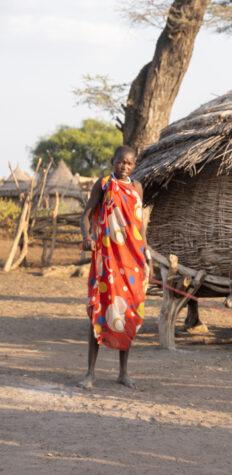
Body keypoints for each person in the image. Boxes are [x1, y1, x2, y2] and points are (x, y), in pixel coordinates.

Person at [78, 146, 151, 389]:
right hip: (107, 258)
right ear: (113, 161)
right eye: (121, 162)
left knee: (127, 312)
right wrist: (87, 237)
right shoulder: (104, 184)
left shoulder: (137, 187)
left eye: (129, 164)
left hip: (131, 260)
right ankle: (90, 373)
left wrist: (145, 250)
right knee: (99, 311)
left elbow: (139, 226)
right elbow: (86, 215)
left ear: (134, 165)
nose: (125, 167)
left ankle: (123, 372)